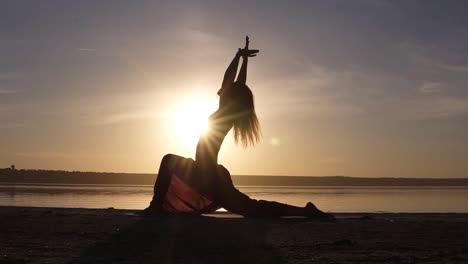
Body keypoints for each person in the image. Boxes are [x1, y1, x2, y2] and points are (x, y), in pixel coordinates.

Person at [143, 37, 331, 218]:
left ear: (232, 98)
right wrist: (243, 60)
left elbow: (230, 80)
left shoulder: (225, 114)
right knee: (253, 208)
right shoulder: (228, 113)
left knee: (253, 209)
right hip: (207, 172)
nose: (224, 90)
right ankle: (305, 211)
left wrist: (238, 56)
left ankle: (155, 208)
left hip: (206, 175)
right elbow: (238, 83)